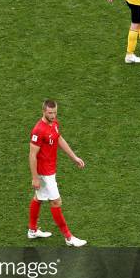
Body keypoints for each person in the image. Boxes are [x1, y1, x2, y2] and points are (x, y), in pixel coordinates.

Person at [28, 100, 87, 246]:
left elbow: (59, 139)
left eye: (55, 112)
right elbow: (32, 155)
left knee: (39, 198)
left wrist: (74, 157)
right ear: (43, 111)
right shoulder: (38, 130)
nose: (53, 115)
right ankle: (69, 238)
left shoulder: (54, 124)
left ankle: (32, 230)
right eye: (50, 113)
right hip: (44, 173)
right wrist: (35, 177)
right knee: (56, 202)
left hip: (50, 169)